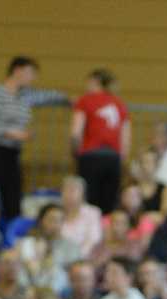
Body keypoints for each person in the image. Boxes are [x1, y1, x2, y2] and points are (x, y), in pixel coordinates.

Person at [0, 56, 68, 221]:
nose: (33, 78)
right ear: (17, 71)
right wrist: (12, 133)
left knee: (12, 194)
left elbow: (48, 96)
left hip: (11, 152)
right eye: (30, 73)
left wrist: (71, 101)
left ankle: (10, 228)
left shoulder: (26, 96)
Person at [71, 68, 131, 214]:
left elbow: (76, 132)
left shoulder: (85, 100)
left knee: (88, 201)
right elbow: (126, 138)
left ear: (95, 82)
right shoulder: (119, 103)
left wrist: (75, 152)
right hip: (113, 157)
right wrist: (121, 159)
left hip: (90, 155)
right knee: (108, 203)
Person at [15, 202, 82, 292]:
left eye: (60, 220)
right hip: (29, 288)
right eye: (52, 220)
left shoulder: (72, 247)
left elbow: (74, 273)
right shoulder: (27, 243)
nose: (56, 224)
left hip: (60, 290)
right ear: (41, 221)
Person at [60, 176, 103, 258]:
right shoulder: (56, 212)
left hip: (84, 259)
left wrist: (75, 257)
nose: (68, 194)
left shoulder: (93, 213)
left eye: (72, 190)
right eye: (65, 190)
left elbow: (94, 240)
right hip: (58, 258)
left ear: (83, 194)